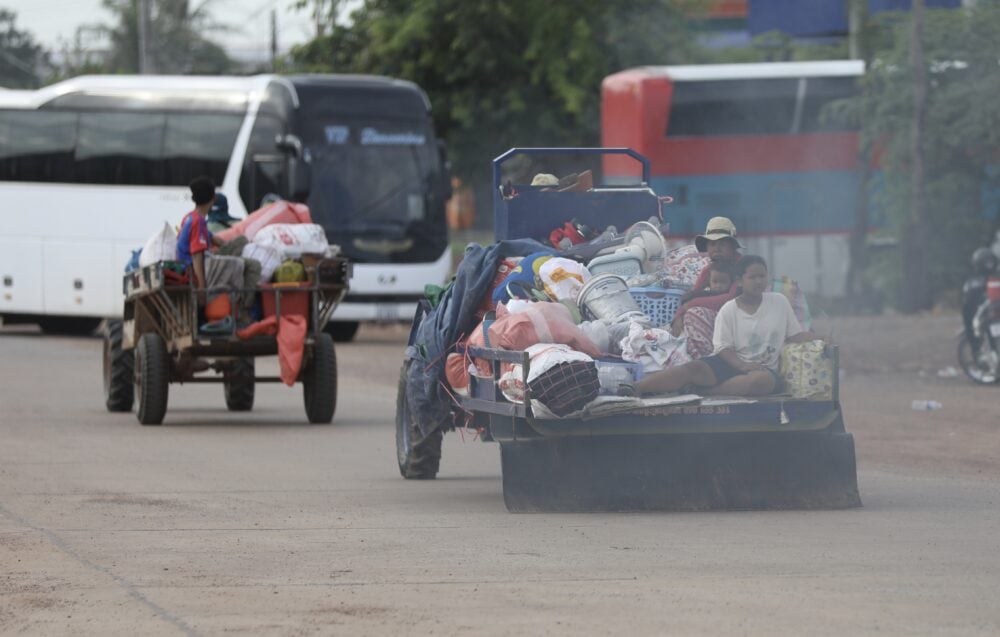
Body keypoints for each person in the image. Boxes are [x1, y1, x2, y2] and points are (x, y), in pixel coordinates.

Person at [634, 255, 824, 397]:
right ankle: (637, 388)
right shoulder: (729, 309)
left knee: (762, 381)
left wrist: (819, 339)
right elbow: (723, 348)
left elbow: (794, 336)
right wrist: (742, 365)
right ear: (740, 281)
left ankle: (707, 393)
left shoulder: (779, 302)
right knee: (693, 368)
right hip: (730, 364)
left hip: (762, 369)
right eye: (753, 277)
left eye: (762, 276)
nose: (759, 281)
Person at [669, 217, 743, 347]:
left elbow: (731, 299)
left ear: (732, 247)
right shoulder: (709, 270)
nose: (717, 248)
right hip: (721, 318)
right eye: (712, 244)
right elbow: (695, 293)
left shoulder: (742, 266)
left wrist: (688, 307)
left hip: (741, 319)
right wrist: (678, 316)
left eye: (722, 244)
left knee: (694, 313)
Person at [176, 176, 225, 293]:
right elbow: (197, 257)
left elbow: (213, 238)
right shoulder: (198, 222)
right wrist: (201, 290)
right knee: (241, 264)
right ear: (213, 199)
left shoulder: (190, 217)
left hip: (185, 268)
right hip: (191, 272)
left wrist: (227, 246)